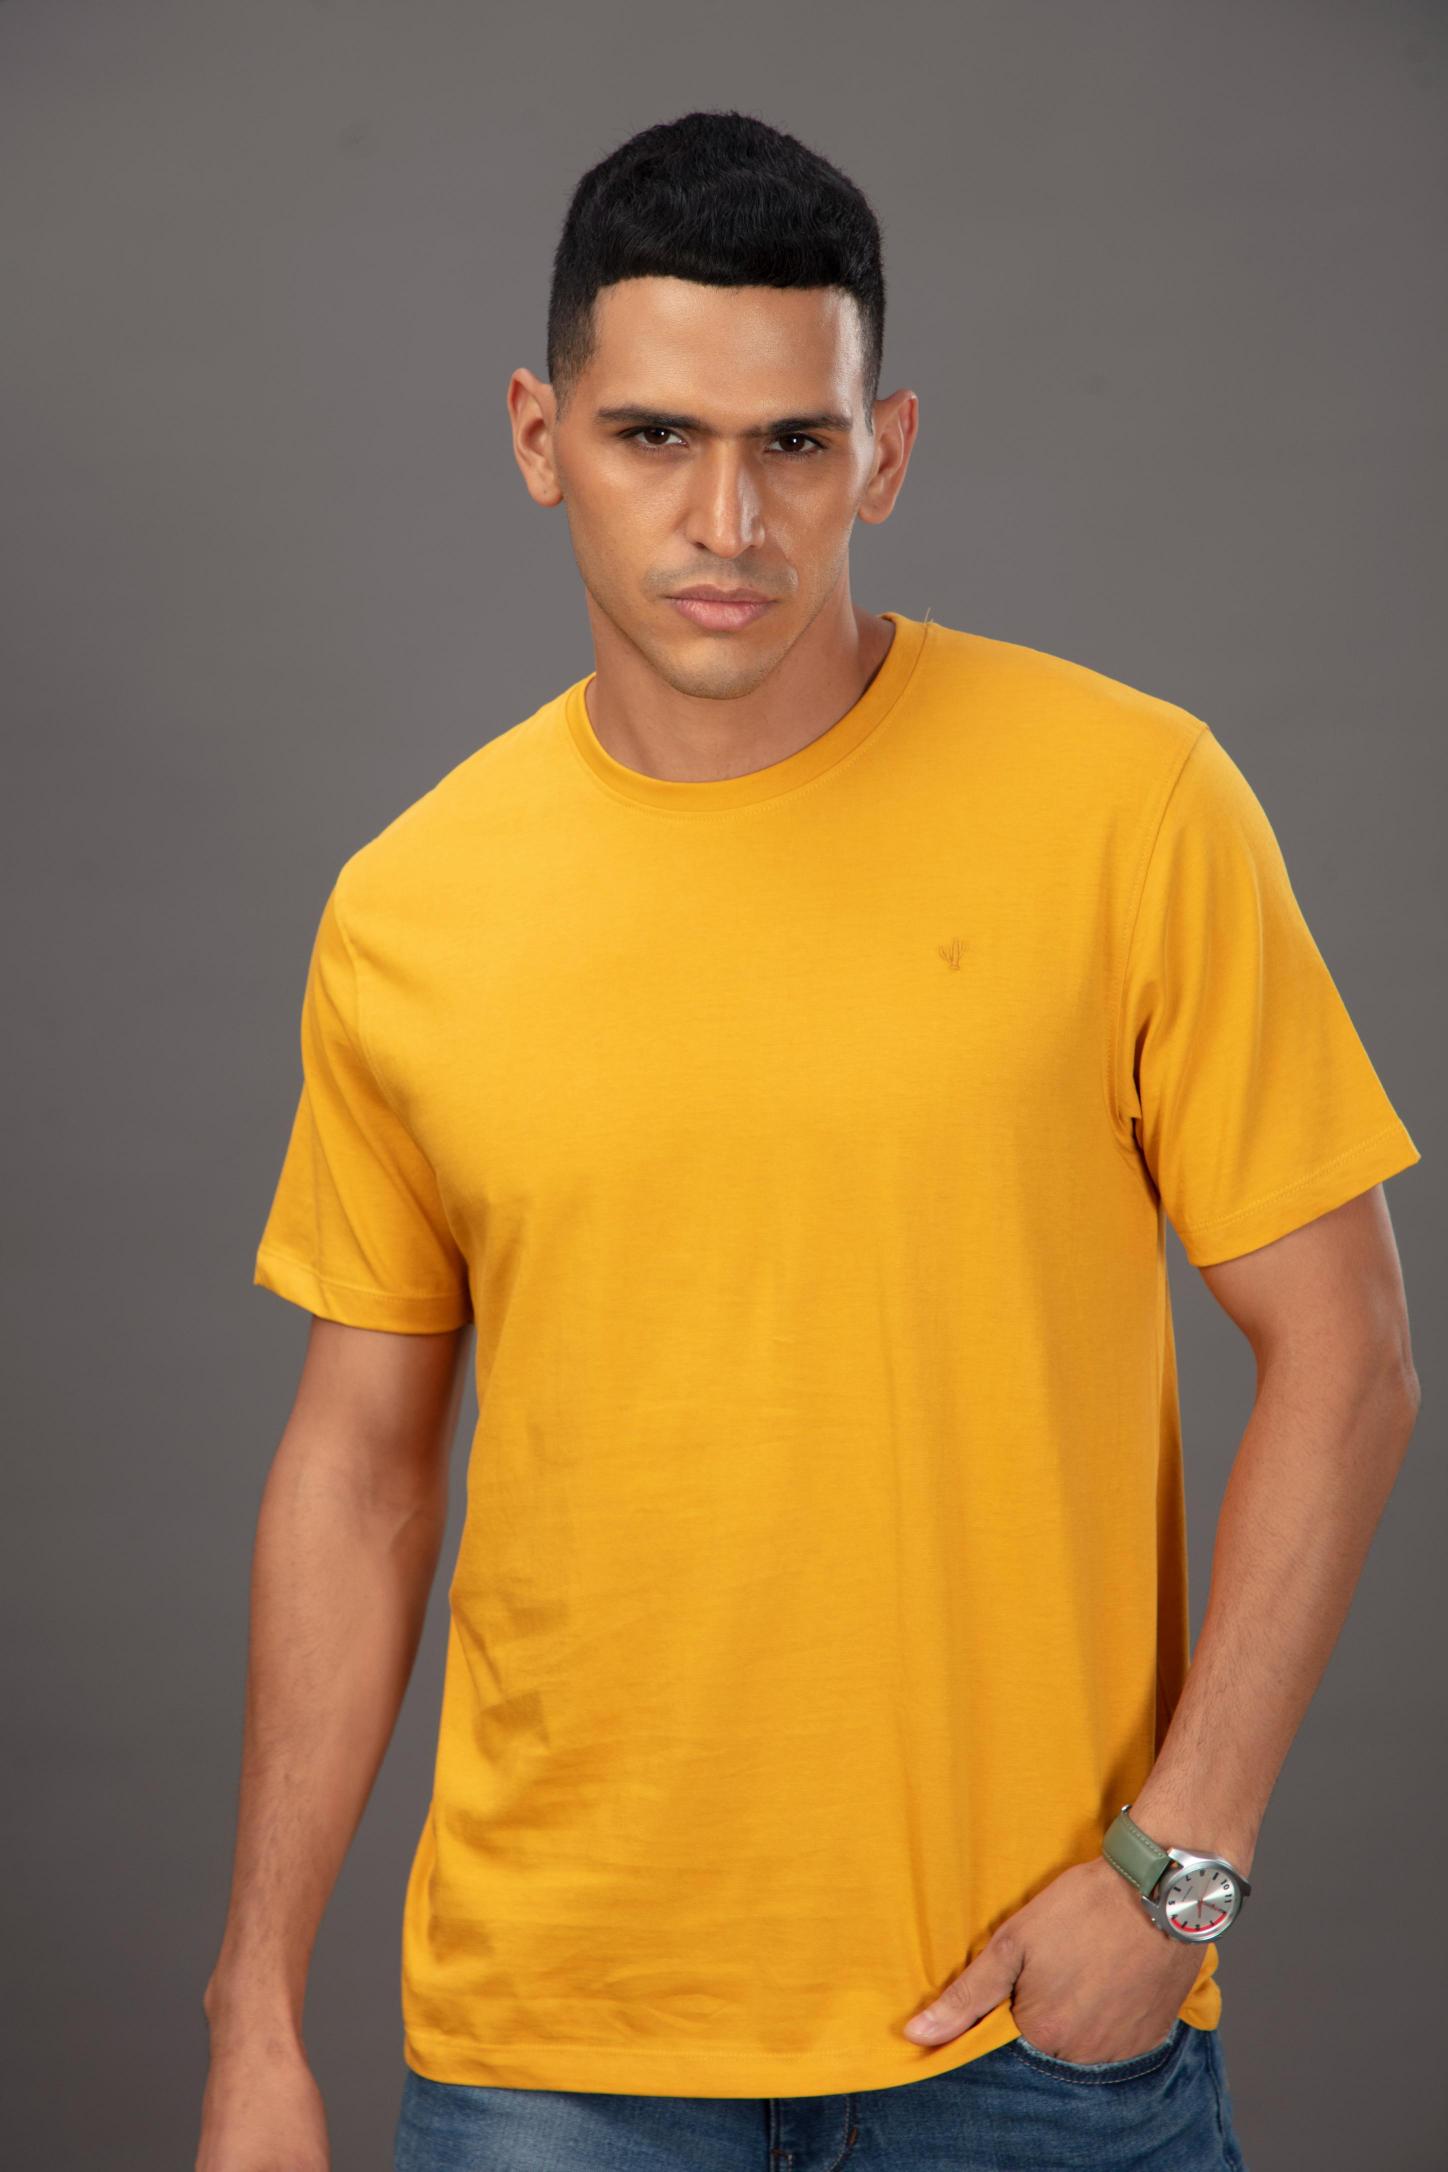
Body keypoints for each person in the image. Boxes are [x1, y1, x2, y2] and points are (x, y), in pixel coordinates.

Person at [197, 108, 1423, 2172]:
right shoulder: (408, 908)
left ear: (887, 452)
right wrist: (254, 2013)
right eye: (653, 437)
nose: (728, 519)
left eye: (793, 443)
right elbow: (357, 1473)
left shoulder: (1132, 806)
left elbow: (1351, 1350)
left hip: (1027, 2038)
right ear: (538, 436)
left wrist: (1180, 1873)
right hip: (553, 2049)